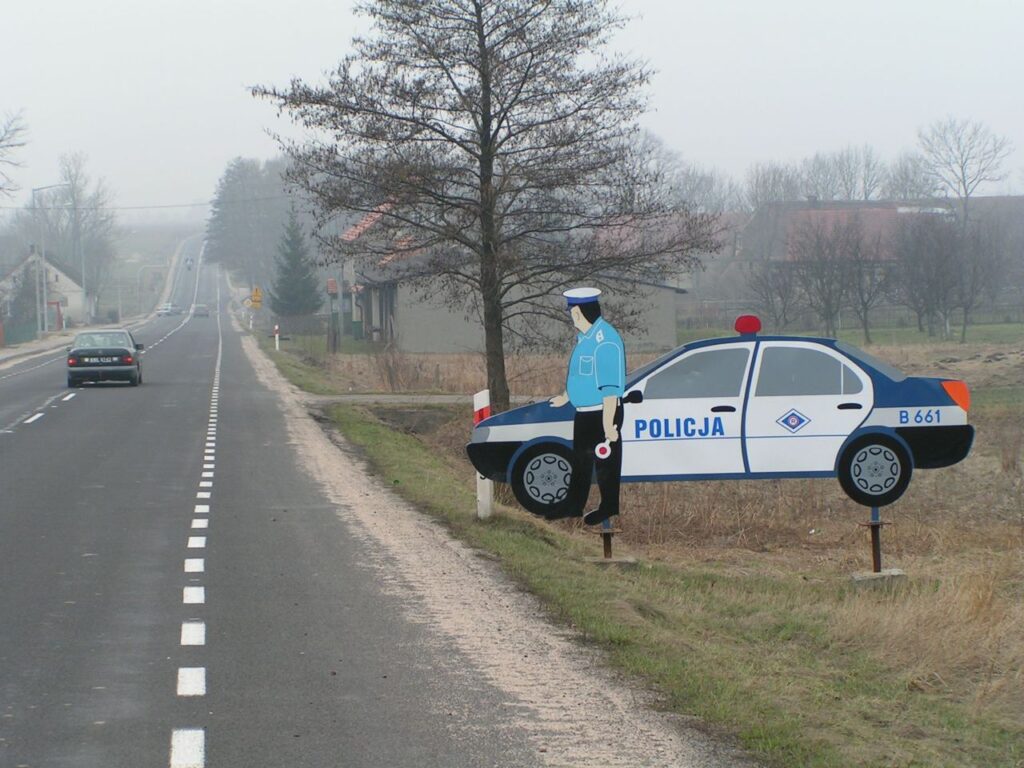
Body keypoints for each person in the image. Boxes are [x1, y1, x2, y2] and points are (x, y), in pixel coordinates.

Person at [548, 287, 625, 526]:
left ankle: (608, 506)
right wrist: (565, 397)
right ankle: (573, 506)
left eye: (573, 314)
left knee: (606, 464)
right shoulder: (585, 339)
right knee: (580, 462)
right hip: (584, 413)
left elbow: (610, 388)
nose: (572, 319)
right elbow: (581, 376)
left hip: (603, 412)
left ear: (580, 313)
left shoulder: (606, 341)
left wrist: (608, 425)